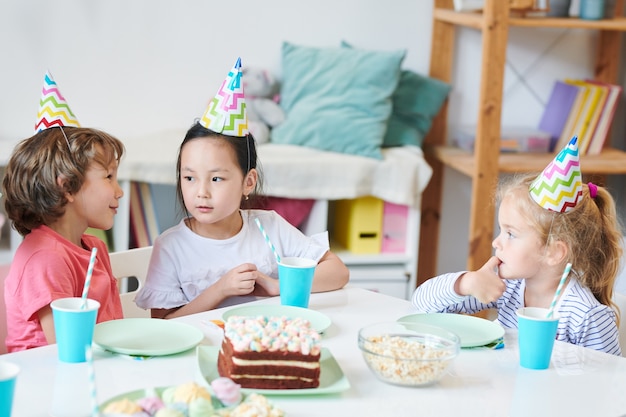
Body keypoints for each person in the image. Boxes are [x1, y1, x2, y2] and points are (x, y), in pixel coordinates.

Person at [135, 58, 349, 319]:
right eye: (189, 178)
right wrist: (220, 290)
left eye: (216, 179)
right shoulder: (171, 246)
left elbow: (338, 272)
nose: (201, 192)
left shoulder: (269, 227)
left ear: (248, 182)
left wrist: (276, 286)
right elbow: (163, 323)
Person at [412, 137, 623, 355]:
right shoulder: (508, 288)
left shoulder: (585, 315)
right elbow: (421, 304)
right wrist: (466, 283)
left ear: (554, 252)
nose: (496, 242)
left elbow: (610, 382)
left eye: (511, 233)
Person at [2, 72, 126, 352]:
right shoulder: (46, 259)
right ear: (68, 186)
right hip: (48, 383)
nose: (119, 191)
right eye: (108, 177)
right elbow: (69, 352)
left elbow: (113, 328)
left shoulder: (93, 247)